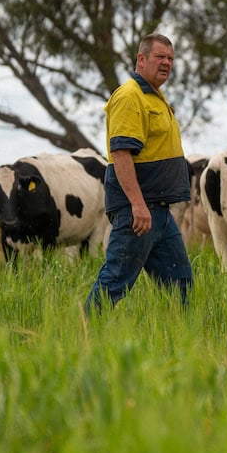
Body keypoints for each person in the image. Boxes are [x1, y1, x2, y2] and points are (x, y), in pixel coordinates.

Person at [85, 33, 193, 313]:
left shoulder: (155, 97)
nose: (167, 63)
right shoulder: (129, 97)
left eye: (170, 58)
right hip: (138, 212)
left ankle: (182, 342)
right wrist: (137, 205)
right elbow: (121, 154)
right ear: (141, 59)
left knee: (180, 284)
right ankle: (81, 334)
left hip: (159, 211)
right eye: (160, 57)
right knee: (116, 280)